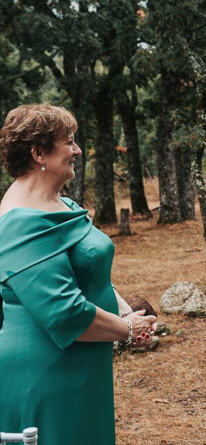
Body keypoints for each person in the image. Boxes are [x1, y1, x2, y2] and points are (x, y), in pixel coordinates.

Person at [0, 104, 157, 445]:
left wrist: (127, 315)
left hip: (85, 362)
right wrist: (128, 330)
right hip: (47, 372)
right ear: (39, 153)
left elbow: (94, 273)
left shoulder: (65, 205)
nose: (78, 150)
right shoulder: (19, 223)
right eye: (69, 142)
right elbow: (64, 313)